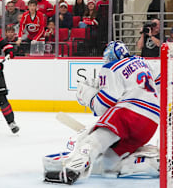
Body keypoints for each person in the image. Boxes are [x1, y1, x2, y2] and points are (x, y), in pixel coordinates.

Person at [43, 41, 159, 184]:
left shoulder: (111, 67)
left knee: (92, 141)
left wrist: (86, 94)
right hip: (152, 121)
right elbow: (159, 81)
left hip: (130, 113)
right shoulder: (144, 62)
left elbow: (102, 106)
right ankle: (152, 163)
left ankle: (72, 170)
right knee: (108, 163)